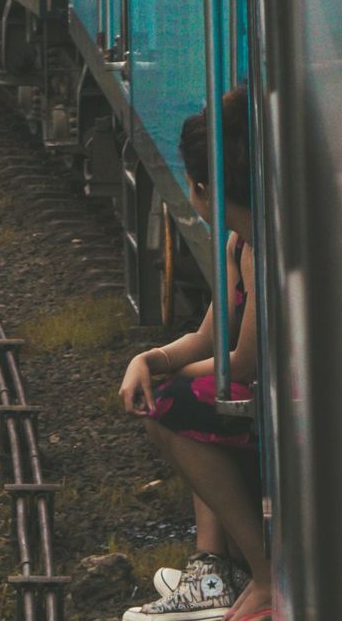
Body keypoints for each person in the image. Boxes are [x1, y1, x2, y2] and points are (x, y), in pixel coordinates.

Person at [117, 90, 268, 621]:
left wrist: (170, 380)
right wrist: (152, 360)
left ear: (204, 189)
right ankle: (213, 570)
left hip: (297, 400)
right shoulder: (238, 243)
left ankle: (268, 578)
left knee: (179, 405)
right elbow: (209, 338)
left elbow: (245, 363)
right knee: (182, 391)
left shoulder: (268, 252)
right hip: (276, 392)